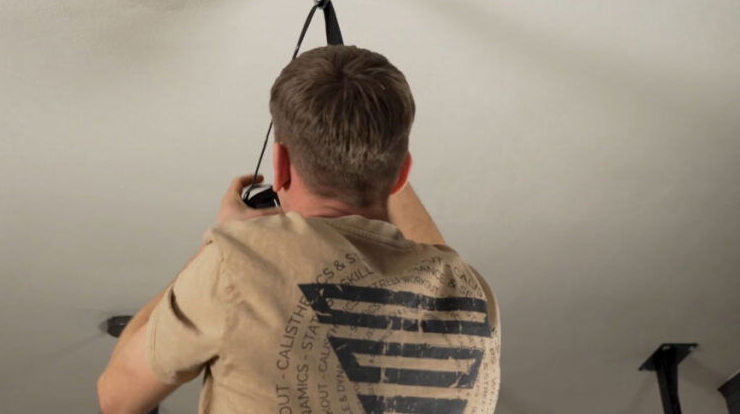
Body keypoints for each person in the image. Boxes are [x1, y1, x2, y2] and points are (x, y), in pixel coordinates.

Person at [98, 45, 500, 414]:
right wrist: (373, 150)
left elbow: (117, 397)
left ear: (280, 167)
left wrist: (220, 240)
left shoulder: (239, 263)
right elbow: (432, 253)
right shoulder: (473, 292)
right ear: (403, 173)